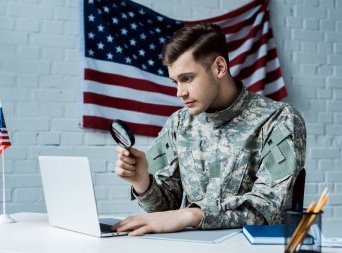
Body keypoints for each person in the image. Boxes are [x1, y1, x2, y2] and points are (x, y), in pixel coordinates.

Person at [112, 23, 306, 236]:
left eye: (187, 78)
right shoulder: (178, 124)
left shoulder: (278, 119)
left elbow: (271, 210)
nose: (179, 92)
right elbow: (163, 213)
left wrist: (192, 214)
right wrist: (143, 182)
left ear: (219, 68)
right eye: (175, 82)